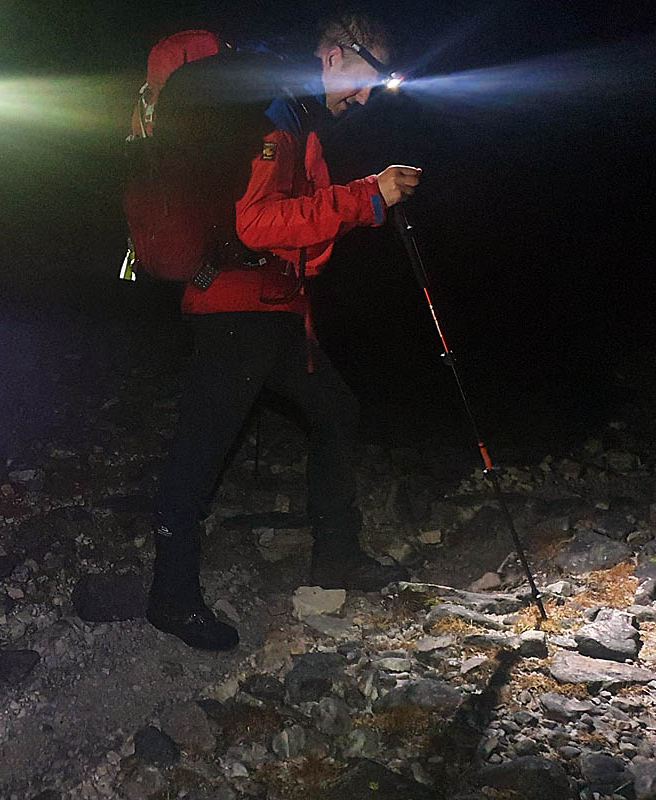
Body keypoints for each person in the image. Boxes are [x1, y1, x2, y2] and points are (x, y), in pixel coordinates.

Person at [147, 12, 423, 651]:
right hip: (234, 306)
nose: (365, 98)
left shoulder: (299, 118)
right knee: (202, 448)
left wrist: (365, 202)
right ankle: (171, 597)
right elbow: (257, 224)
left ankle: (337, 556)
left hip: (272, 307)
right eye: (368, 78)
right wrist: (366, 196)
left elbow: (301, 223)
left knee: (335, 411)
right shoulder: (274, 112)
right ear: (335, 55)